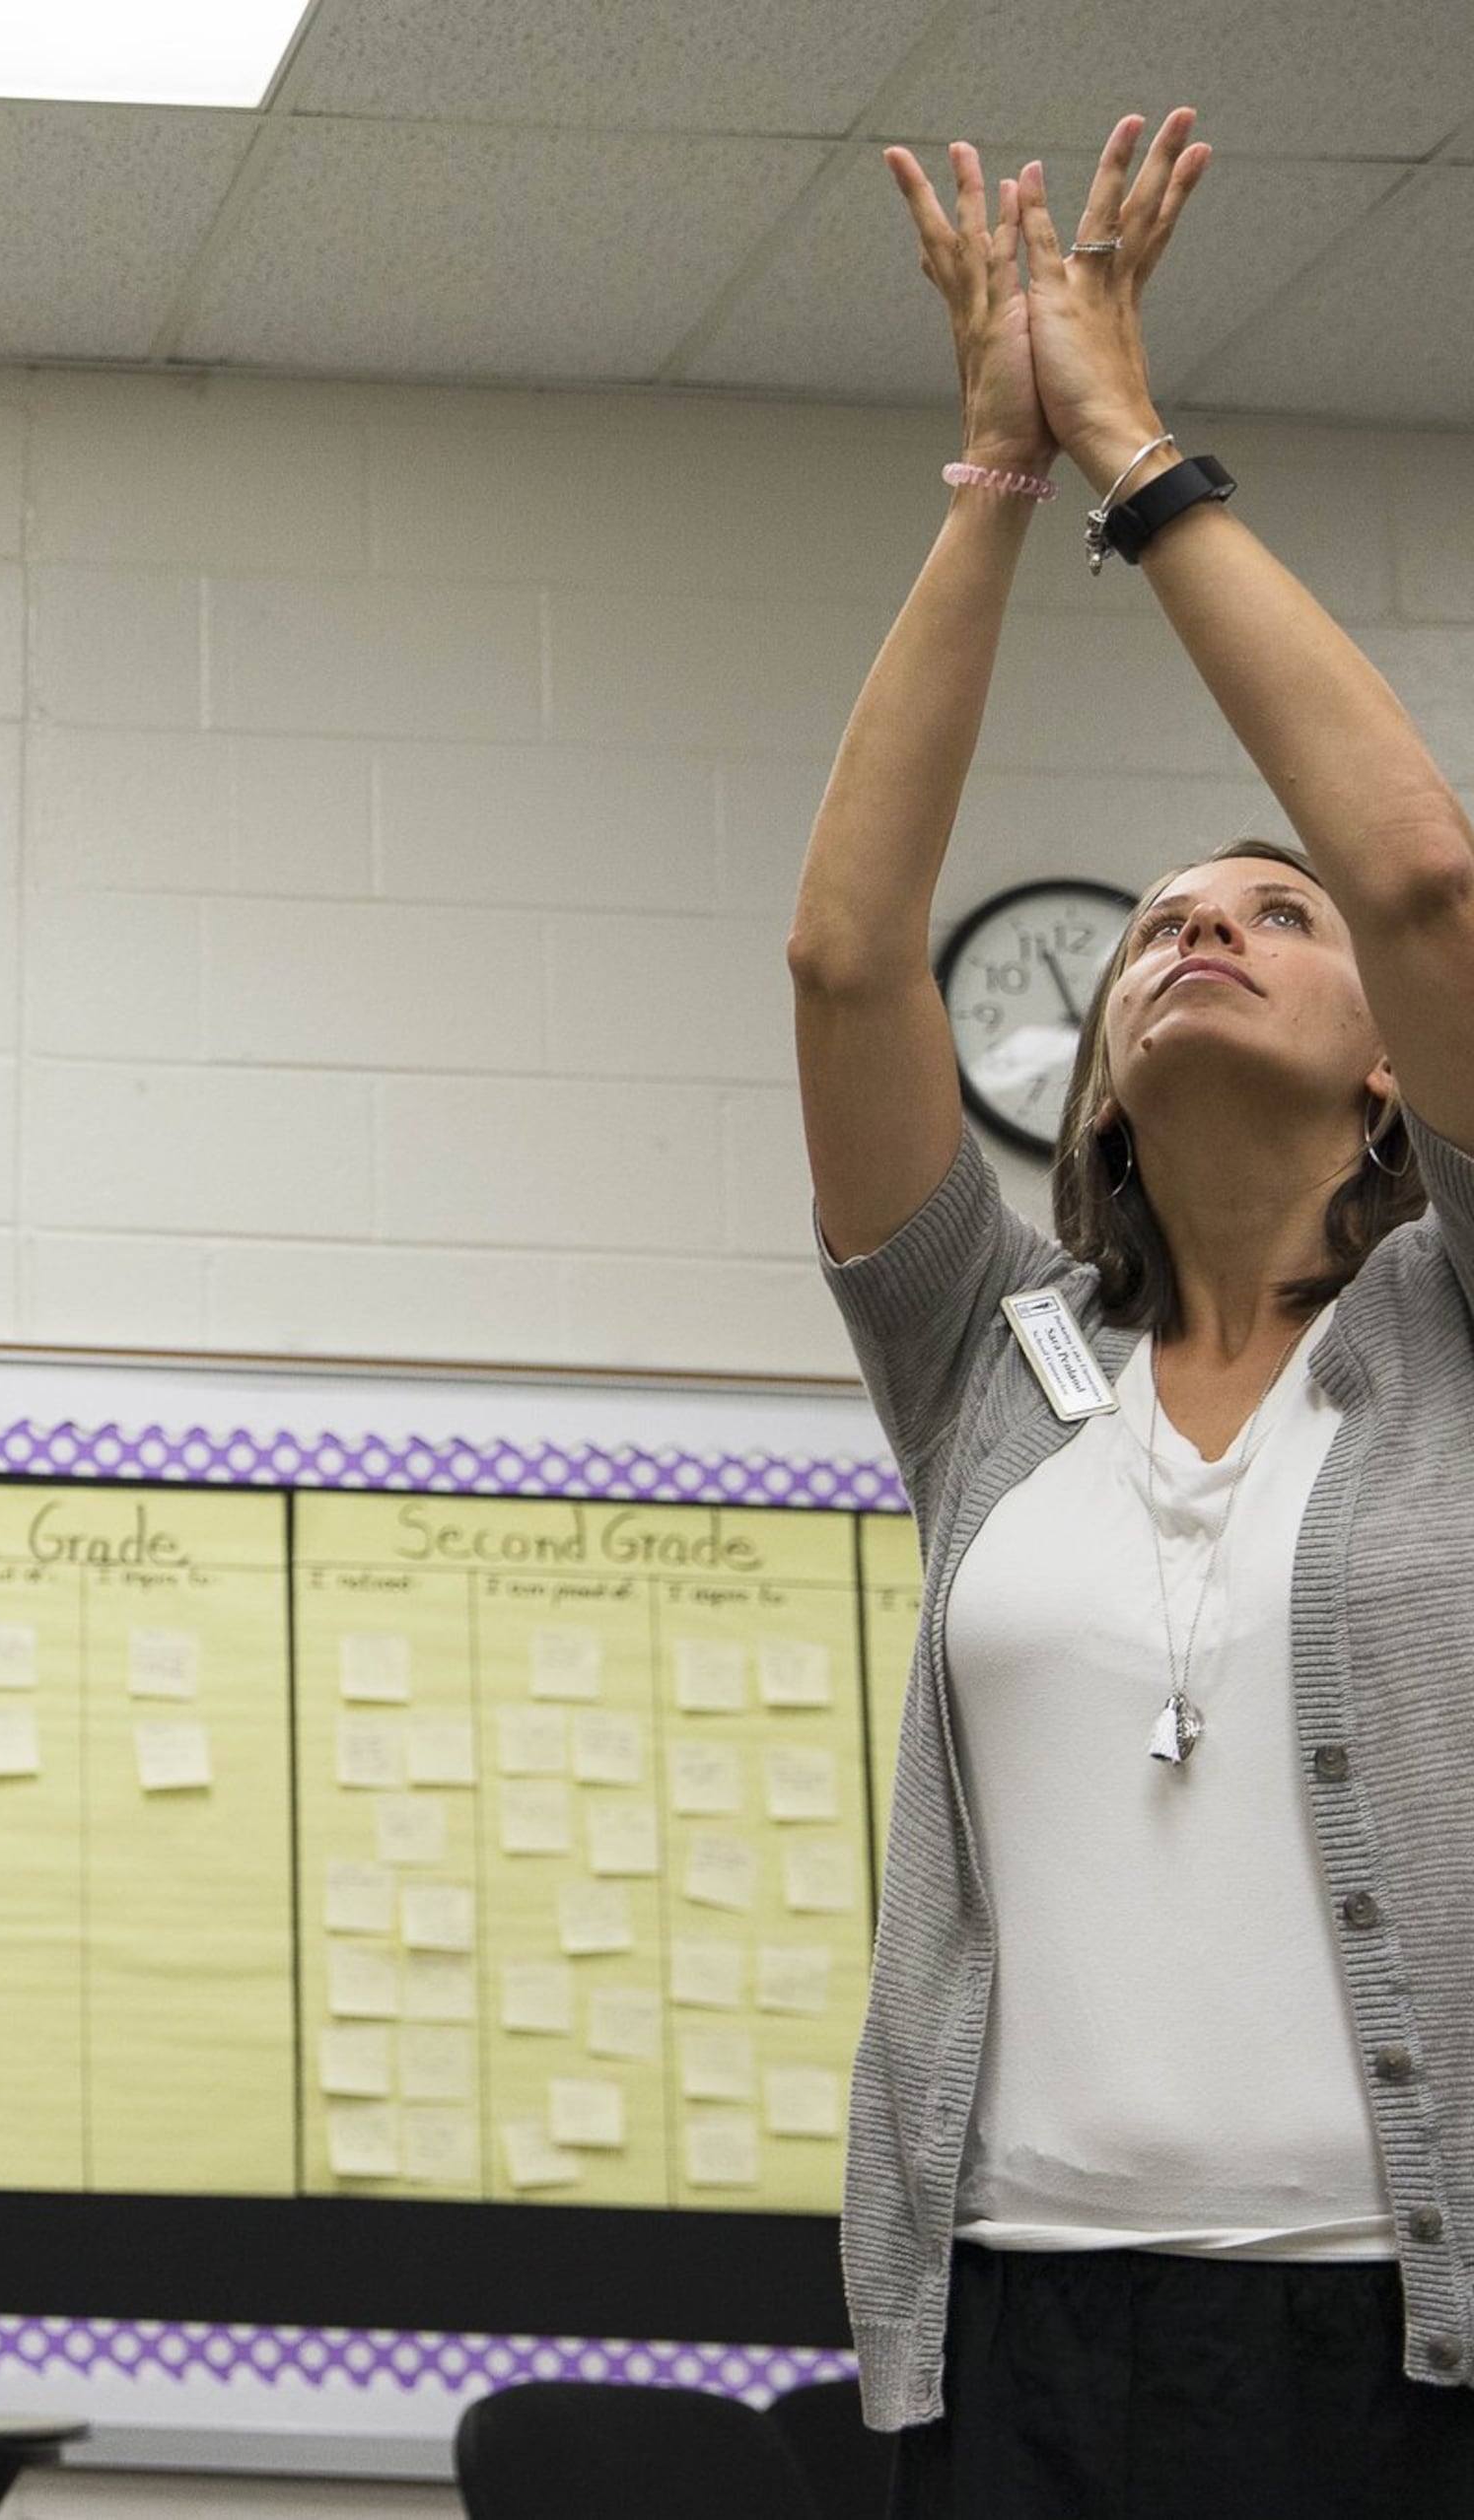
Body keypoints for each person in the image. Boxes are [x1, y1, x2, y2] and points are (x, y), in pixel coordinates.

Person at [789, 107, 1474, 2515]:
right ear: (1088, 1070)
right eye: (1166, 920)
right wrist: (985, 480)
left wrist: (1131, 453)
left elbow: (1419, 859)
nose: (1203, 926)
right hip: (1011, 2331)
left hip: (1410, 2344)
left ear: (1389, 1050)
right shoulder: (990, 1364)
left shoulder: (1459, 1338)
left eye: (1266, 920)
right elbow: (848, 955)